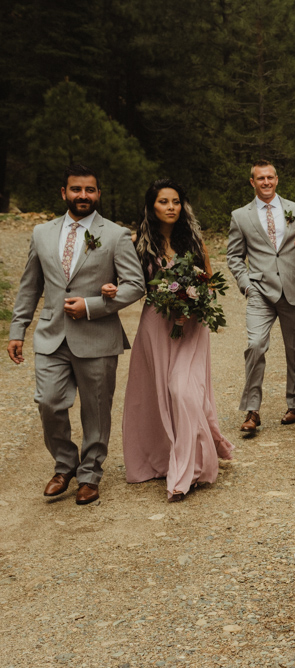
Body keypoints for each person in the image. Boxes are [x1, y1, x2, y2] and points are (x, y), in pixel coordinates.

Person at [7, 164, 145, 504]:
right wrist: (17, 329)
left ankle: (90, 474)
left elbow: (135, 285)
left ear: (98, 194)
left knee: (96, 409)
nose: (83, 195)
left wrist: (92, 305)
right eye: (76, 189)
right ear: (64, 193)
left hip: (97, 336)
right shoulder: (41, 233)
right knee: (48, 402)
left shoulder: (115, 234)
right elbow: (30, 286)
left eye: (89, 190)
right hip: (51, 336)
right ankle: (64, 463)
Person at [112, 179, 234, 502]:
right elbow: (129, 280)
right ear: (152, 206)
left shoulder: (193, 239)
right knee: (155, 395)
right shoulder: (139, 243)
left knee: (184, 391)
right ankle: (163, 455)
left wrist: (193, 297)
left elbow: (207, 277)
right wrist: (111, 289)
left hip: (191, 325)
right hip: (156, 324)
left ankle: (188, 471)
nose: (171, 207)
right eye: (164, 201)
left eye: (176, 201)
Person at [226, 160, 295, 434]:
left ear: (277, 179)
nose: (266, 182)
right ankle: (252, 410)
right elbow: (234, 256)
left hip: (294, 287)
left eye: (270, 177)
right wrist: (246, 284)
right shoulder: (240, 216)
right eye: (260, 178)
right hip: (259, 290)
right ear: (252, 182)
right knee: (256, 344)